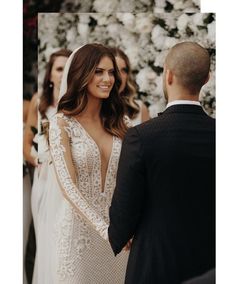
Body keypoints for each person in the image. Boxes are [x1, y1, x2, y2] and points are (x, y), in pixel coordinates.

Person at [108, 42, 215, 284]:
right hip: (211, 263)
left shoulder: (141, 137)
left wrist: (121, 234)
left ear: (167, 75)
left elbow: (123, 215)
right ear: (207, 79)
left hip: (154, 263)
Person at [48, 43, 130, 283]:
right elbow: (68, 188)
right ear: (81, 74)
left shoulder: (122, 122)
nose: (107, 79)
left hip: (121, 238)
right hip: (79, 237)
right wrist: (106, 230)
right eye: (98, 71)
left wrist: (127, 227)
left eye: (111, 72)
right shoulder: (62, 124)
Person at [23, 48, 72, 284]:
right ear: (50, 74)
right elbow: (25, 144)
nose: (62, 73)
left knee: (63, 238)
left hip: (69, 183)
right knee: (43, 237)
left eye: (67, 68)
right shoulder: (38, 103)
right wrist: (38, 159)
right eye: (58, 68)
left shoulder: (78, 102)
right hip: (43, 179)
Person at [110, 47, 150, 125]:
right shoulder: (92, 111)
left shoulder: (140, 109)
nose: (120, 76)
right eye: (114, 70)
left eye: (124, 70)